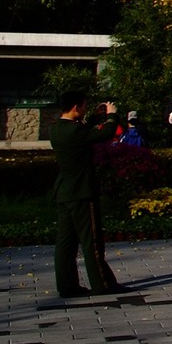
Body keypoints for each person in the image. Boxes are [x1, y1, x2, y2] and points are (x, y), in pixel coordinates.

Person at [48, 92, 122, 298]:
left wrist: (96, 117)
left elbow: (84, 131)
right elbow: (105, 134)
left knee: (65, 243)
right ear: (75, 107)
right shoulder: (75, 131)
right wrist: (112, 115)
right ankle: (102, 283)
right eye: (83, 106)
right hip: (81, 192)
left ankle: (67, 285)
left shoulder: (55, 130)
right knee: (92, 240)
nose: (84, 109)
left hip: (63, 192)